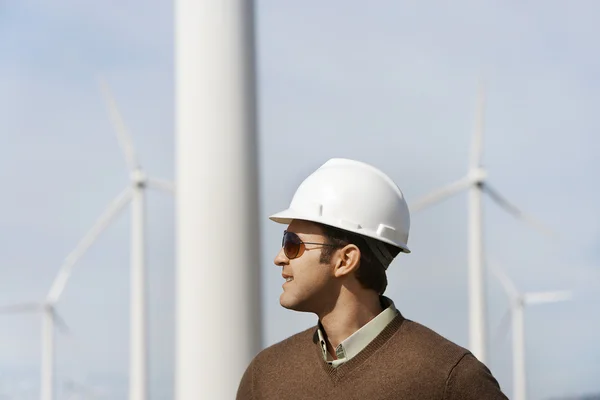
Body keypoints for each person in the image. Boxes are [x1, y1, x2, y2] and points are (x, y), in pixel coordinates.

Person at [236, 158, 508, 400]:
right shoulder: (264, 376)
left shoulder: (448, 376)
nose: (279, 258)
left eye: (292, 244)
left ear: (345, 260)